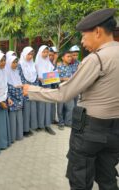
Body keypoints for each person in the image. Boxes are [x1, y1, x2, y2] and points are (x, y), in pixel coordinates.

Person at [24, 8, 119, 190]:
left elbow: (63, 94)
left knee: (80, 179)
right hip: (115, 131)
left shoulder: (96, 59)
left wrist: (31, 91)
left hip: (90, 130)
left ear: (97, 32)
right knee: (108, 178)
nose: (82, 43)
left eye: (84, 36)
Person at [17, 46, 38, 136]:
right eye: (28, 54)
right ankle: (24, 130)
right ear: (24, 54)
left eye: (32, 54)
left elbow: (35, 77)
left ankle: (29, 127)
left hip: (32, 90)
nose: (30, 56)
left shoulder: (33, 64)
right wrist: (26, 87)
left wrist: (34, 87)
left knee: (31, 110)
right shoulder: (20, 65)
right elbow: (20, 78)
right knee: (25, 111)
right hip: (24, 91)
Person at [35, 45, 56, 135]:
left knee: (47, 105)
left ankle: (47, 125)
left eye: (47, 52)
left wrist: (55, 74)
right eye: (44, 52)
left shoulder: (48, 63)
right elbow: (33, 75)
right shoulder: (36, 63)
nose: (45, 54)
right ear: (40, 52)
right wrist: (39, 78)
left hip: (48, 85)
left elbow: (53, 72)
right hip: (40, 86)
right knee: (40, 106)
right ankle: (40, 125)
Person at [5, 55, 24, 142]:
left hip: (19, 97)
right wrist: (8, 98)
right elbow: (6, 88)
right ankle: (12, 138)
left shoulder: (16, 72)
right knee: (12, 119)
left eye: (16, 62)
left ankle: (19, 135)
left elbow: (20, 83)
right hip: (12, 99)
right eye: (13, 62)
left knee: (19, 117)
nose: (15, 64)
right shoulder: (6, 73)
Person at [56, 50, 74, 130]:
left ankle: (68, 122)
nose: (70, 58)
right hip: (61, 90)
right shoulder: (58, 66)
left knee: (70, 107)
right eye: (68, 56)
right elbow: (53, 78)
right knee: (60, 108)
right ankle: (61, 123)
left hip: (70, 90)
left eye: (70, 56)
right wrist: (64, 78)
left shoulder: (72, 67)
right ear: (63, 58)